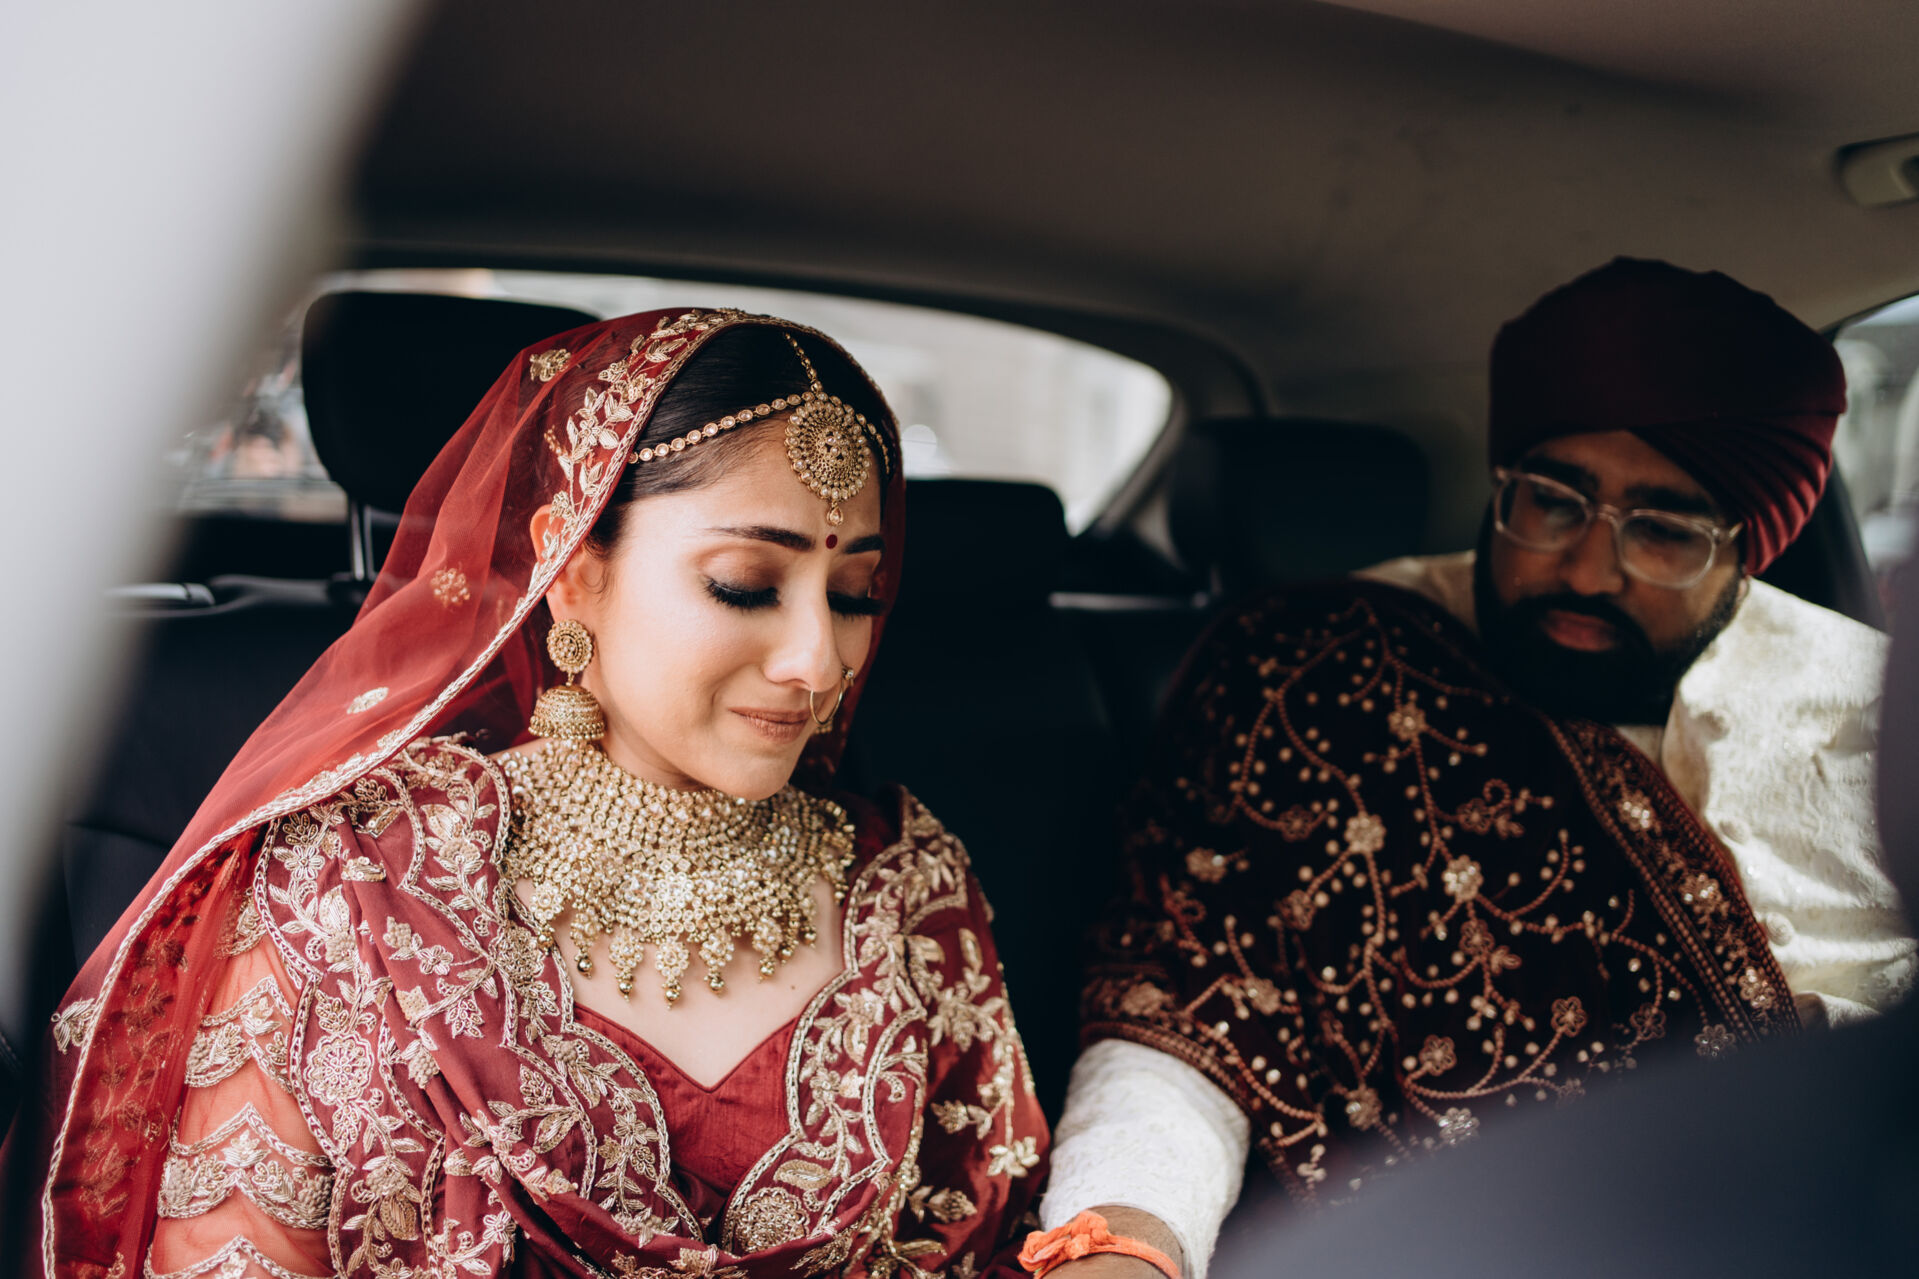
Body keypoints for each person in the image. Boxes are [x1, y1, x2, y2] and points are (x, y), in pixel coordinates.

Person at [19, 309, 1047, 1277]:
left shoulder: (905, 886)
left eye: (855, 593)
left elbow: (989, 1234)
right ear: (573, 568)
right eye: (744, 583)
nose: (817, 661)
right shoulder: (353, 885)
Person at [1037, 259, 1916, 1278]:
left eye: (1665, 531)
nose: (1586, 569)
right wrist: (1123, 1242)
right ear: (1501, 484)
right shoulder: (1324, 678)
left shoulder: (1874, 706)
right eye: (1552, 502)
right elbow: (1192, 1008)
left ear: (1747, 551)